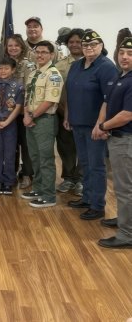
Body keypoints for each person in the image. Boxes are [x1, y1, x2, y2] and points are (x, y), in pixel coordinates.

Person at [65, 30, 118, 220]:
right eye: (85, 45)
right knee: (85, 163)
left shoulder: (106, 67)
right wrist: (68, 116)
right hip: (77, 123)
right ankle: (87, 198)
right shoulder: (76, 65)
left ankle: (97, 205)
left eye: (93, 45)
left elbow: (110, 99)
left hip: (95, 126)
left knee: (96, 166)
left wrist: (101, 124)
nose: (88, 48)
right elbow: (70, 92)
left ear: (101, 46)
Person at [93, 36, 132, 249]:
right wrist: (101, 123)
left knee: (126, 188)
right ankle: (125, 220)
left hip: (126, 140)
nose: (124, 57)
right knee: (120, 186)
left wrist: (103, 126)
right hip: (117, 138)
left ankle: (128, 234)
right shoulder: (121, 76)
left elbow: (127, 114)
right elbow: (107, 102)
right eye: (122, 53)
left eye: (130, 54)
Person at [21, 41, 63, 208]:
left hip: (44, 120)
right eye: (37, 52)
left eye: (44, 52)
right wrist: (26, 115)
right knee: (35, 157)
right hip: (30, 119)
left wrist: (31, 116)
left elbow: (49, 100)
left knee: (46, 159)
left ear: (51, 55)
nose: (40, 55)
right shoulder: (33, 73)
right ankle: (38, 188)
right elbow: (27, 96)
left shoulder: (53, 74)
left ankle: (49, 195)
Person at [0, 57, 24, 195]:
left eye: (6, 68)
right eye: (1, 68)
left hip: (10, 123)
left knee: (9, 152)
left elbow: (18, 107)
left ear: (13, 70)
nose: (3, 71)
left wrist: (7, 122)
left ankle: (9, 180)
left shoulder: (18, 86)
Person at [54, 28, 84, 195]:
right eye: (71, 42)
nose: (74, 45)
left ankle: (80, 178)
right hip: (62, 112)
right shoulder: (60, 65)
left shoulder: (92, 63)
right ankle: (68, 178)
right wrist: (62, 110)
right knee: (66, 147)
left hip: (86, 115)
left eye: (78, 42)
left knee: (83, 148)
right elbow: (55, 91)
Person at [5, 34, 36, 189]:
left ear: (22, 47)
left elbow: (29, 91)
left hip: (23, 112)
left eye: (16, 45)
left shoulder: (28, 65)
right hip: (9, 113)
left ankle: (27, 174)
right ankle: (11, 172)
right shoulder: (5, 64)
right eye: (10, 45)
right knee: (11, 144)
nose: (13, 48)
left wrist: (28, 112)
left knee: (26, 144)